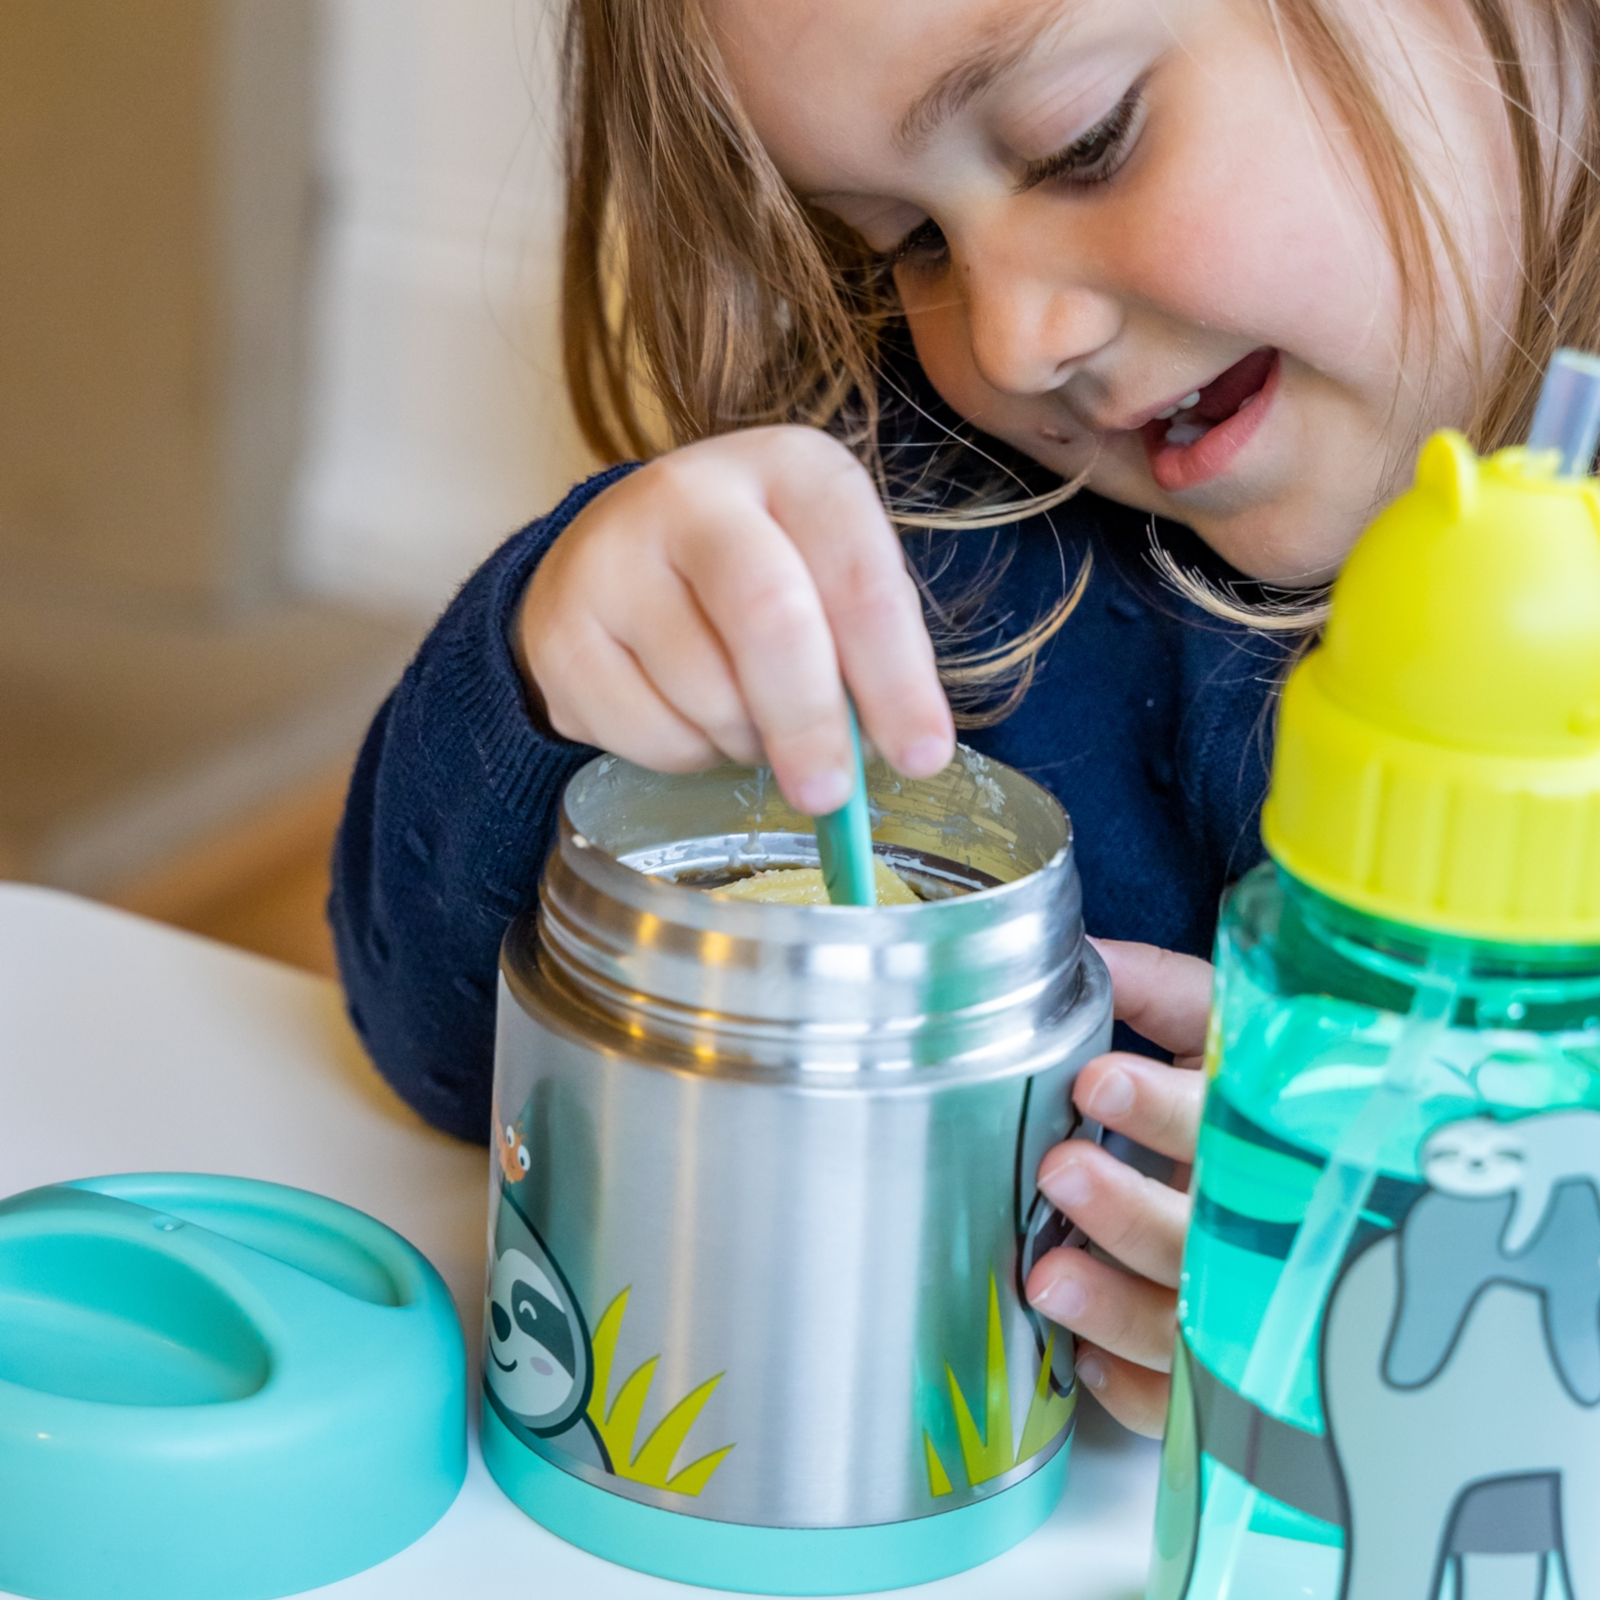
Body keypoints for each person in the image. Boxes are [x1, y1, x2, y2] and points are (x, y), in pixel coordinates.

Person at [331, 0, 1600, 1438]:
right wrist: (562, 669)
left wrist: (1520, 1310)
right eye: (909, 244)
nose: (1010, 341)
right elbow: (444, 1057)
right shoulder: (951, 534)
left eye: (1084, 144)